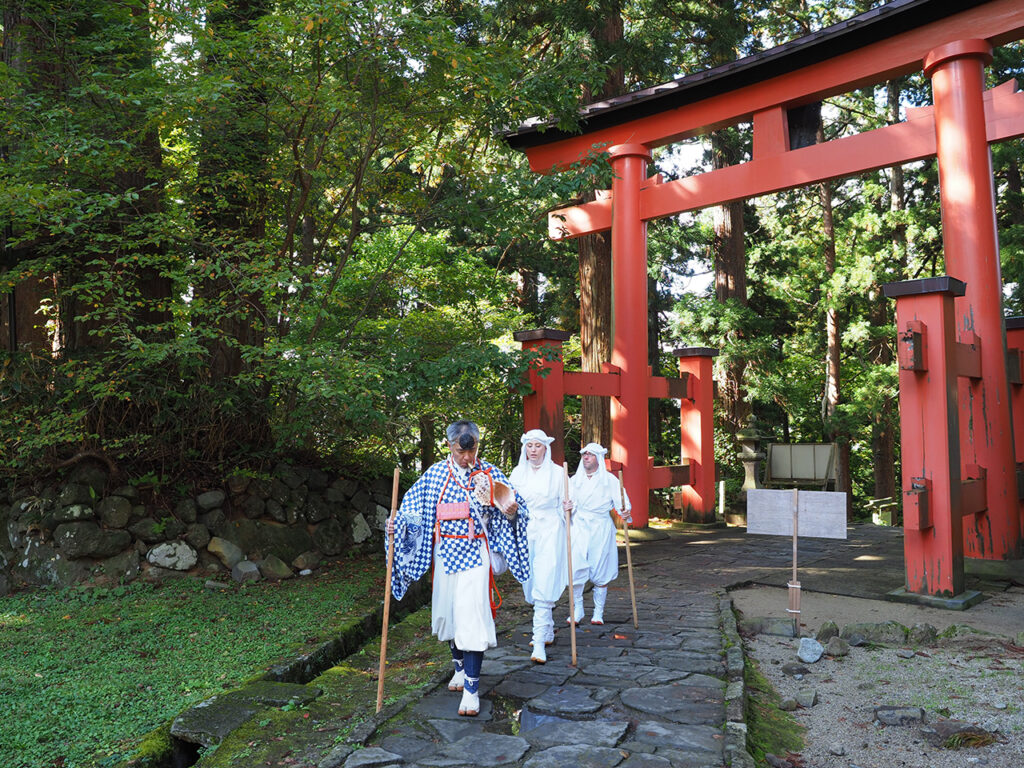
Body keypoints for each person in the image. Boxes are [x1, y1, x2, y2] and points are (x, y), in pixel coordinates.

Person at [387, 420, 530, 717]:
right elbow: (411, 513)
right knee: (448, 614)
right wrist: (395, 525)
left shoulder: (489, 473)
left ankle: (471, 690)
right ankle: (459, 669)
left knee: (472, 618)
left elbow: (518, 506)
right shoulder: (435, 475)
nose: (467, 457)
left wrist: (512, 510)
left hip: (475, 555)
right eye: (461, 451)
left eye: (472, 450)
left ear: (477, 444)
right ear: (450, 446)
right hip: (445, 554)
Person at [508, 428, 570, 664]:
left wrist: (568, 509)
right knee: (531, 581)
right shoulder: (517, 473)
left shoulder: (557, 473)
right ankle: (546, 628)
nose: (533, 450)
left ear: (546, 448)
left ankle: (539, 642)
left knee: (545, 580)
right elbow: (508, 502)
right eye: (530, 446)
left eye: (538, 446)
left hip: (550, 530)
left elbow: (568, 505)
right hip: (525, 530)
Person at [566, 442, 631, 625]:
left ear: (599, 458)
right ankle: (577, 609)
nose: (586, 457)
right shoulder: (573, 481)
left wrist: (625, 511)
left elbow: (622, 502)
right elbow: (565, 502)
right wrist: (567, 507)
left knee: (600, 565)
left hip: (601, 526)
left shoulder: (609, 480)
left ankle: (598, 612)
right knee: (575, 566)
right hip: (579, 524)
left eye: (591, 454)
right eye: (584, 454)